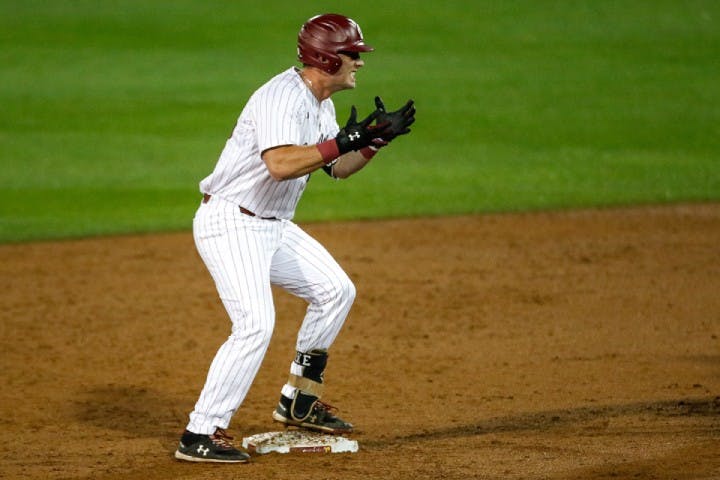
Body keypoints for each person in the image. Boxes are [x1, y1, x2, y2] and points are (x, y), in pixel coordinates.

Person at [173, 13, 415, 463]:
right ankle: (199, 432)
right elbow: (281, 164)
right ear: (326, 58)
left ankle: (298, 400)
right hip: (233, 223)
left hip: (271, 226)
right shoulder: (282, 98)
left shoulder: (320, 102)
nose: (359, 63)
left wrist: (372, 143)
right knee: (254, 326)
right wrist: (346, 141)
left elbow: (335, 167)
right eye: (352, 55)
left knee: (335, 290)